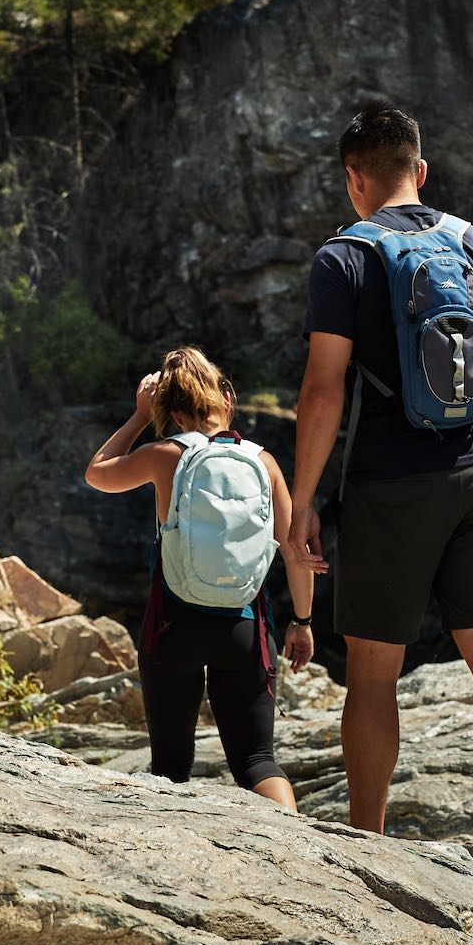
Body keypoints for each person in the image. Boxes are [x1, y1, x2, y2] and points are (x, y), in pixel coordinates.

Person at [286, 103, 473, 874]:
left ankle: (368, 845)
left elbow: (323, 389)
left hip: (388, 482)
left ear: (354, 180)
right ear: (422, 169)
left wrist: (303, 500)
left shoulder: (344, 259)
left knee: (374, 671)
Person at [84, 346, 309, 810]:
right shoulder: (263, 462)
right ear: (227, 401)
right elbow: (293, 551)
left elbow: (97, 473)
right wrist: (302, 621)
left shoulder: (164, 454)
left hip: (173, 628)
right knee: (258, 762)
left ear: (174, 412)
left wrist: (139, 416)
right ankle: (298, 844)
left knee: (170, 767)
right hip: (245, 630)